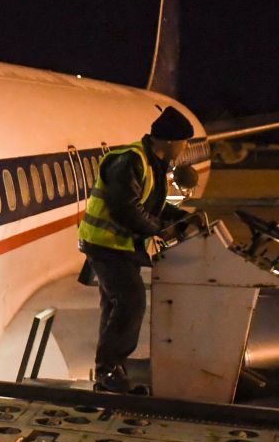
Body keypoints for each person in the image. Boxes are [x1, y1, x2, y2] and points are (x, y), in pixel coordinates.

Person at [79, 105, 194, 394]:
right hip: (106, 245)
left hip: (120, 245)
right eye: (183, 142)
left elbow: (147, 203)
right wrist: (159, 229)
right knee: (131, 303)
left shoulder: (150, 163)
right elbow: (126, 208)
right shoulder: (130, 161)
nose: (185, 148)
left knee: (116, 305)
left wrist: (178, 218)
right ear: (169, 141)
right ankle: (109, 369)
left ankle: (109, 372)